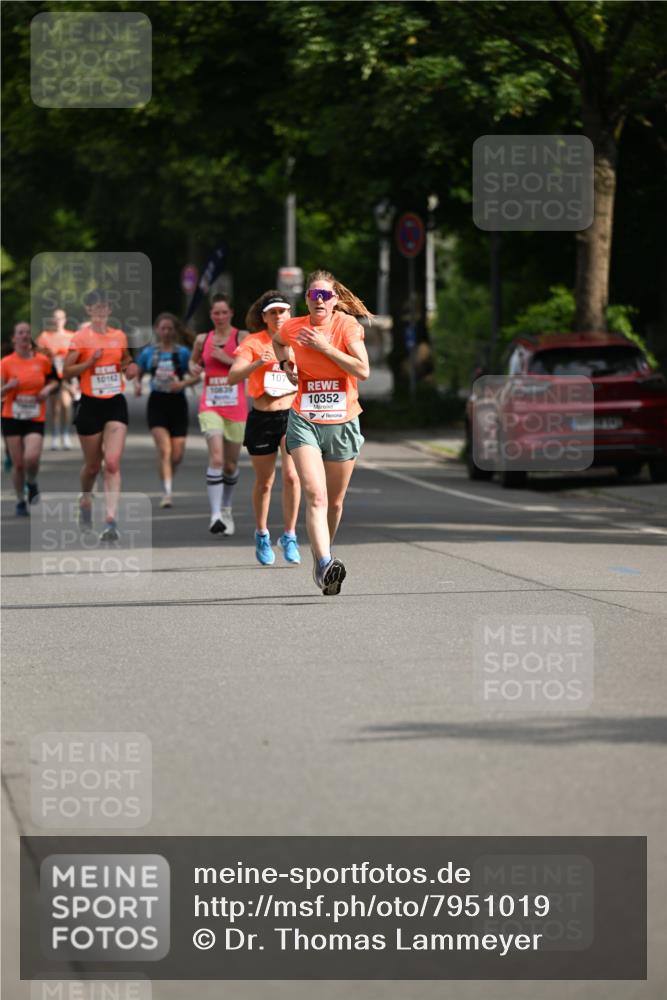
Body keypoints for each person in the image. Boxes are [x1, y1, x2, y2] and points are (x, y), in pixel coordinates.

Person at [272, 270, 370, 595]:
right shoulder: (294, 326)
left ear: (335, 300)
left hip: (343, 423)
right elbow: (278, 340)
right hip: (305, 421)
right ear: (307, 300)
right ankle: (327, 563)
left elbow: (363, 370)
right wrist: (287, 366)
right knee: (316, 495)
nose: (320, 300)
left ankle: (320, 557)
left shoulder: (347, 326)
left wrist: (326, 348)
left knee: (336, 502)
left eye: (326, 295)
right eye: (314, 295)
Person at [227, 291, 301, 565]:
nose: (278, 316)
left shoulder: (298, 339)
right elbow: (232, 376)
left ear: (290, 313)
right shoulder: (253, 342)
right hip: (262, 417)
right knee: (265, 482)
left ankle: (290, 535)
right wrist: (258, 362)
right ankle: (262, 533)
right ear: (264, 317)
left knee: (293, 477)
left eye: (283, 311)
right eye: (273, 312)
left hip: (292, 416)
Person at [63, 289, 139, 541]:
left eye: (104, 307)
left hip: (114, 403)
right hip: (90, 404)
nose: (100, 311)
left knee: (113, 462)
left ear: (109, 310)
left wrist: (130, 368)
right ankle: (85, 498)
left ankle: (110, 520)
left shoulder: (118, 336)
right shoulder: (80, 337)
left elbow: (126, 360)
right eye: (95, 307)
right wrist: (88, 363)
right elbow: (66, 372)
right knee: (93, 465)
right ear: (88, 310)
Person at [189, 294, 248, 535]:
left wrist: (227, 358)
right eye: (216, 313)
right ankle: (215, 515)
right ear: (211, 315)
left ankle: (226, 507)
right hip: (210, 404)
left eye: (224, 312)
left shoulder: (241, 337)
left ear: (231, 313)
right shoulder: (203, 339)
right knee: (216, 458)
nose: (220, 317)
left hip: (236, 407)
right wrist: (193, 368)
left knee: (231, 464)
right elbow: (194, 365)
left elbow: (250, 368)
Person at [135, 313, 197, 508]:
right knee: (164, 450)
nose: (167, 332)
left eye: (170, 328)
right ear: (157, 330)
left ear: (175, 331)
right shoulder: (149, 353)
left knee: (177, 455)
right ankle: (167, 492)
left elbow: (197, 375)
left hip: (178, 403)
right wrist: (137, 385)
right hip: (157, 403)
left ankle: (167, 477)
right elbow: (138, 373)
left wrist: (183, 383)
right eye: (163, 328)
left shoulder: (183, 353)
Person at [1, 321, 60, 515]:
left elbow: (55, 381)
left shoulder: (42, 360)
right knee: (18, 464)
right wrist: (8, 387)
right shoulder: (5, 363)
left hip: (35, 416)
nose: (25, 336)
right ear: (14, 338)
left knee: (32, 459)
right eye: (20, 333)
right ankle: (20, 499)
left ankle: (32, 482)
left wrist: (46, 389)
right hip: (12, 417)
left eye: (27, 332)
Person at [36, 307, 76, 450]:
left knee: (66, 404)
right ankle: (55, 434)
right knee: (55, 407)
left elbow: (77, 356)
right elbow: (39, 356)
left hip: (66, 375)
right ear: (52, 320)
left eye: (61, 318)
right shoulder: (45, 336)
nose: (58, 321)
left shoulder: (72, 336)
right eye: (56, 318)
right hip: (52, 375)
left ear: (65, 320)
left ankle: (65, 434)